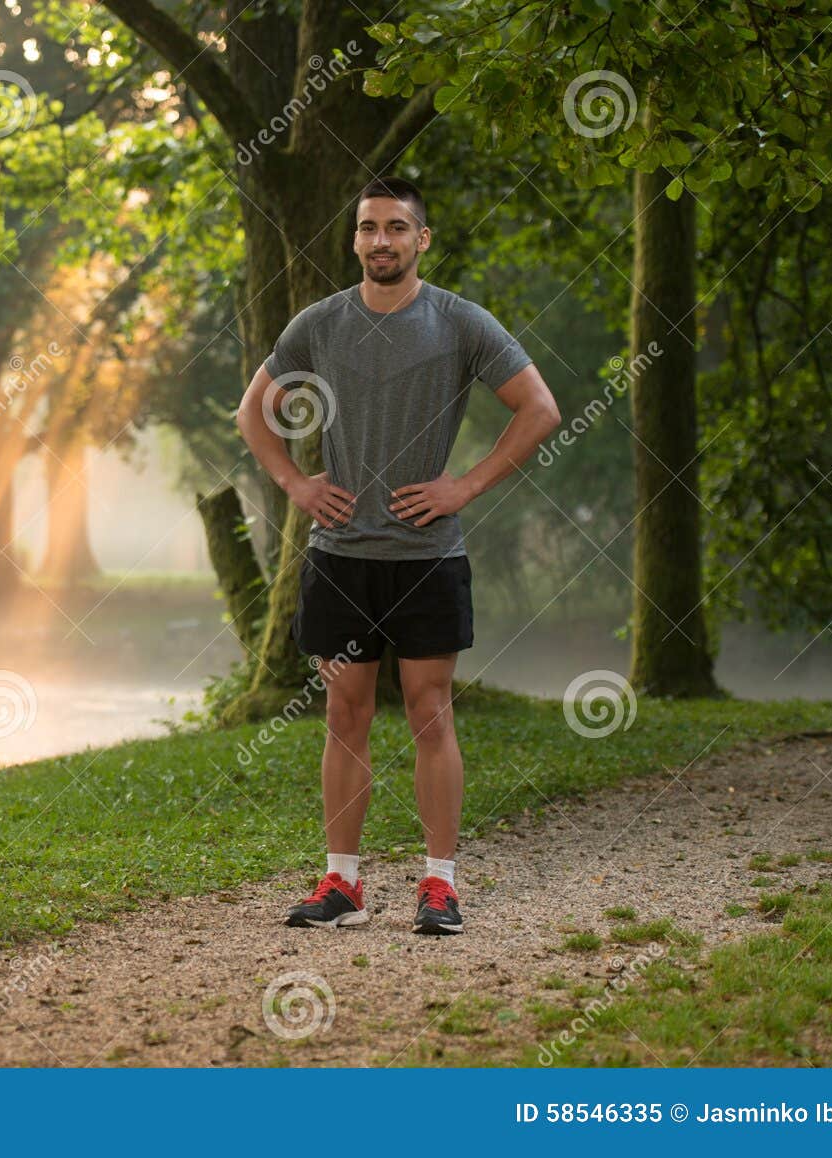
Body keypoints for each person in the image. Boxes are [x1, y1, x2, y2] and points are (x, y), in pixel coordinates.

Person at [235, 176, 560, 935]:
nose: (381, 240)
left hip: (427, 557)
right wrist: (293, 482)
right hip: (341, 554)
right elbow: (255, 410)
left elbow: (539, 410)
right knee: (344, 714)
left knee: (430, 715)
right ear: (354, 239)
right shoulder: (320, 324)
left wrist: (464, 487)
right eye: (368, 227)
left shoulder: (460, 322)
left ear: (422, 240)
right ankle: (341, 885)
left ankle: (439, 885)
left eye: (397, 228)